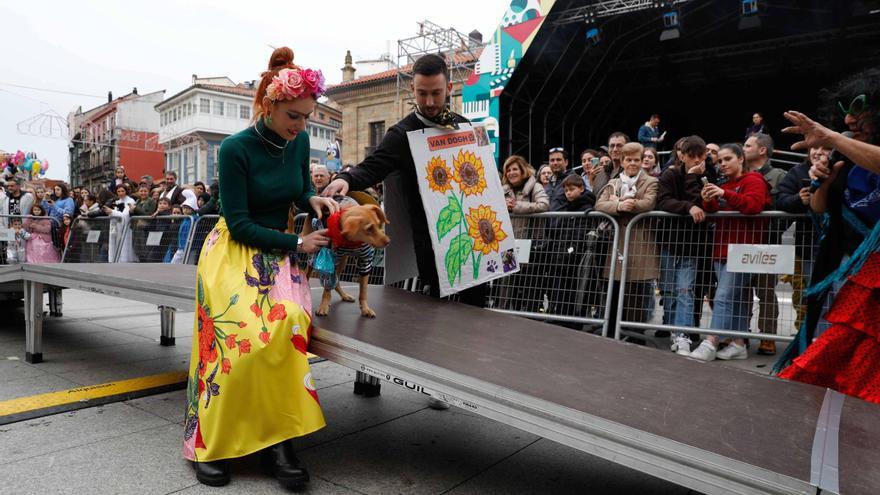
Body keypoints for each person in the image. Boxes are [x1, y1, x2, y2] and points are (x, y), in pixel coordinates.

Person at [183, 47, 337, 488]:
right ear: (268, 107)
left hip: (281, 249)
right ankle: (210, 440)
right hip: (236, 249)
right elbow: (239, 222)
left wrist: (312, 198)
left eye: (307, 117)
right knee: (238, 335)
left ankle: (280, 439)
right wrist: (298, 241)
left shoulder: (299, 140)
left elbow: (301, 184)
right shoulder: (234, 149)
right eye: (294, 116)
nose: (301, 126)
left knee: (287, 324)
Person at [322, 53, 485, 308]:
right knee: (436, 316)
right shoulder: (400, 134)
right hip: (430, 246)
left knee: (476, 314)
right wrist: (346, 177)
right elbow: (373, 166)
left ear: (450, 89)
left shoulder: (465, 128)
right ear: (412, 89)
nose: (429, 101)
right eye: (422, 93)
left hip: (474, 242)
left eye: (436, 93)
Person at [775, 68, 880, 403]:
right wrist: (826, 184)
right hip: (855, 271)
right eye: (845, 111)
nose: (849, 119)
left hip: (869, 273)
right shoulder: (846, 159)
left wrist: (834, 138)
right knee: (844, 353)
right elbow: (821, 209)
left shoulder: (851, 149)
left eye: (859, 109)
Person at [690, 144, 771, 361]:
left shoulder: (753, 180)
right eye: (720, 161)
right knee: (734, 298)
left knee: (724, 296)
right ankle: (738, 342)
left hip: (744, 249)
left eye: (727, 159)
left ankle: (711, 342)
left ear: (741, 159)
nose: (723, 164)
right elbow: (714, 210)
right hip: (723, 249)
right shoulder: (726, 184)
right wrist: (708, 198)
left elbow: (754, 206)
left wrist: (723, 193)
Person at [655, 135, 716, 355]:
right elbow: (662, 200)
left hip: (692, 245)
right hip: (670, 243)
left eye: (701, 156)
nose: (697, 160)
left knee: (685, 290)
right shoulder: (670, 173)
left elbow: (703, 202)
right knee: (670, 290)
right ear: (683, 156)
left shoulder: (709, 175)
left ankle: (683, 335)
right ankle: (673, 329)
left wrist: (694, 179)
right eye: (692, 157)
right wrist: (687, 208)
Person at [595, 142, 659, 338]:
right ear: (622, 161)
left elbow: (649, 203)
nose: (632, 163)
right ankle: (612, 328)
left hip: (640, 242)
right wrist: (618, 207)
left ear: (642, 161)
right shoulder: (613, 183)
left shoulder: (651, 182)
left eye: (636, 160)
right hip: (616, 243)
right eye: (628, 160)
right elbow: (599, 203)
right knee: (613, 288)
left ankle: (635, 333)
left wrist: (622, 202)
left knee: (637, 290)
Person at [744, 132, 786, 355]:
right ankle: (738, 334)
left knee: (766, 291)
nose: (743, 148)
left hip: (767, 243)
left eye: (748, 145)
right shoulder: (739, 173)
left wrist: (771, 233)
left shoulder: (779, 176)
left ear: (762, 150)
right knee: (739, 290)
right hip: (740, 242)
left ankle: (767, 336)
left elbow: (784, 209)